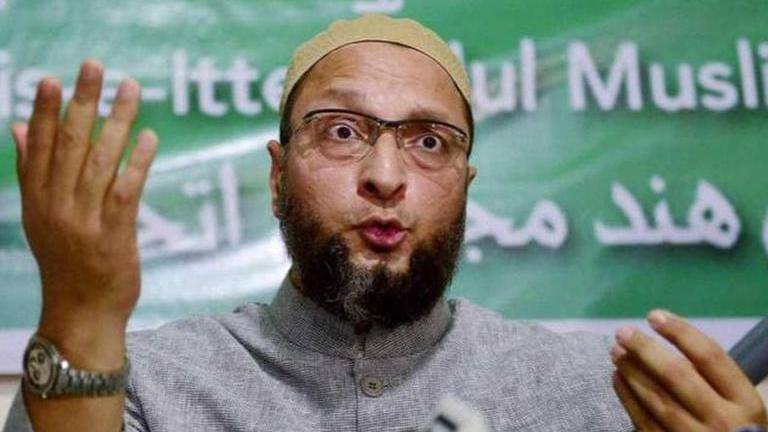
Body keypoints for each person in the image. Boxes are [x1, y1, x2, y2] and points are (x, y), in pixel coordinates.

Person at [3, 14, 766, 432]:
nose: (387, 175)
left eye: (430, 142)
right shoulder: (144, 383)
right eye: (342, 131)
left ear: (465, 186)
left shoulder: (600, 397)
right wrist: (81, 309)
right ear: (277, 176)